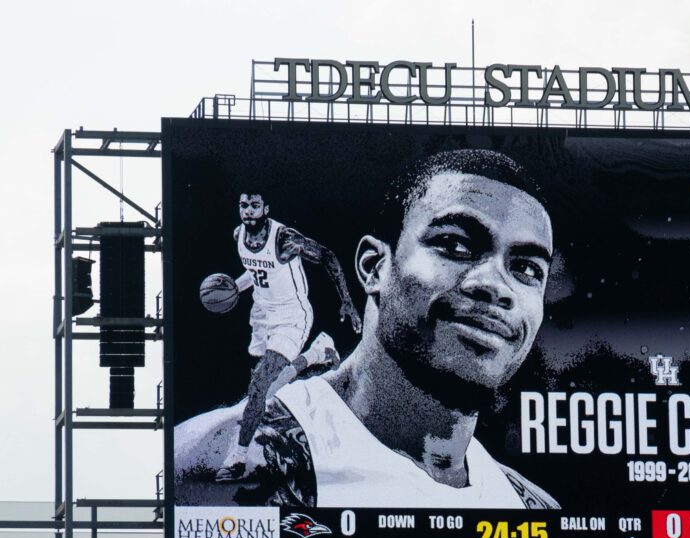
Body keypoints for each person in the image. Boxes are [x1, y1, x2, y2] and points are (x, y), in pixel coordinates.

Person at [183, 149, 560, 509]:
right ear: (373, 266)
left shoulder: (534, 509)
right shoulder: (213, 458)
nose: (496, 286)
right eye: (455, 244)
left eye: (527, 269)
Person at [210, 190, 359, 483]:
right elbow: (254, 272)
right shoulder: (238, 234)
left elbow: (326, 256)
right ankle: (317, 353)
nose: (248, 211)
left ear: (265, 208)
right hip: (263, 314)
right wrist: (234, 290)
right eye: (243, 205)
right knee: (263, 390)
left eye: (254, 206)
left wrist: (347, 301)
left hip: (292, 317)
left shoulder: (284, 240)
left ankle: (238, 458)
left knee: (259, 386)